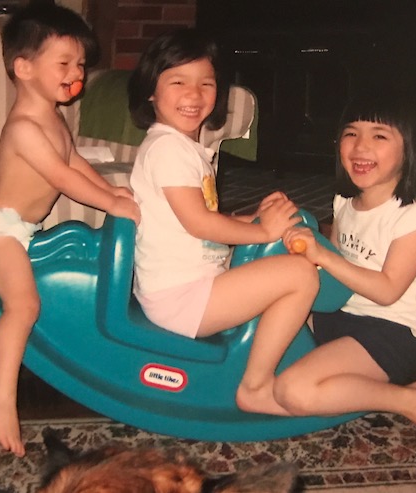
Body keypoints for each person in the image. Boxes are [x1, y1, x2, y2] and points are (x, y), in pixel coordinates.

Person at [0, 4, 140, 457]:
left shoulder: (54, 117)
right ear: (23, 68)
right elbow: (62, 179)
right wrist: (109, 201)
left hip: (22, 230)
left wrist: (117, 192)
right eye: (63, 63)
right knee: (23, 305)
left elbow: (74, 162)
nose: (75, 72)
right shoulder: (23, 127)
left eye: (79, 64)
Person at [128, 29, 318, 418]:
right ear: (151, 90)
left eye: (206, 83)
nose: (194, 94)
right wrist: (261, 231)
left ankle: (293, 355)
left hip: (191, 286)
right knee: (301, 275)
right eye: (178, 82)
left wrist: (252, 219)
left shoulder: (187, 148)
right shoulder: (167, 149)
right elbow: (200, 224)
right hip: (181, 299)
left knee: (283, 249)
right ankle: (255, 386)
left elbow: (200, 219)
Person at [274, 92, 416, 459]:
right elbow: (328, 270)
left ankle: (407, 399)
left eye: (379, 135)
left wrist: (322, 254)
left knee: (291, 392)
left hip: (392, 330)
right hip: (340, 314)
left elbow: (388, 291)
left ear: (411, 148)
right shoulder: (345, 201)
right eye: (351, 133)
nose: (361, 147)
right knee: (265, 324)